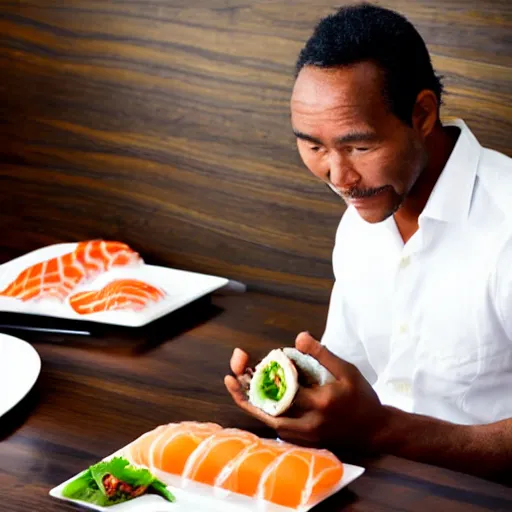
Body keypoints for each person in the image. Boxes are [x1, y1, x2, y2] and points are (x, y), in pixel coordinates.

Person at [224, 3, 512, 481]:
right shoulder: (361, 219)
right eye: (314, 146)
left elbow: (376, 424)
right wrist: (288, 388)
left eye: (359, 147)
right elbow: (349, 379)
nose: (338, 177)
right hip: (375, 481)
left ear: (421, 114)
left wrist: (382, 430)